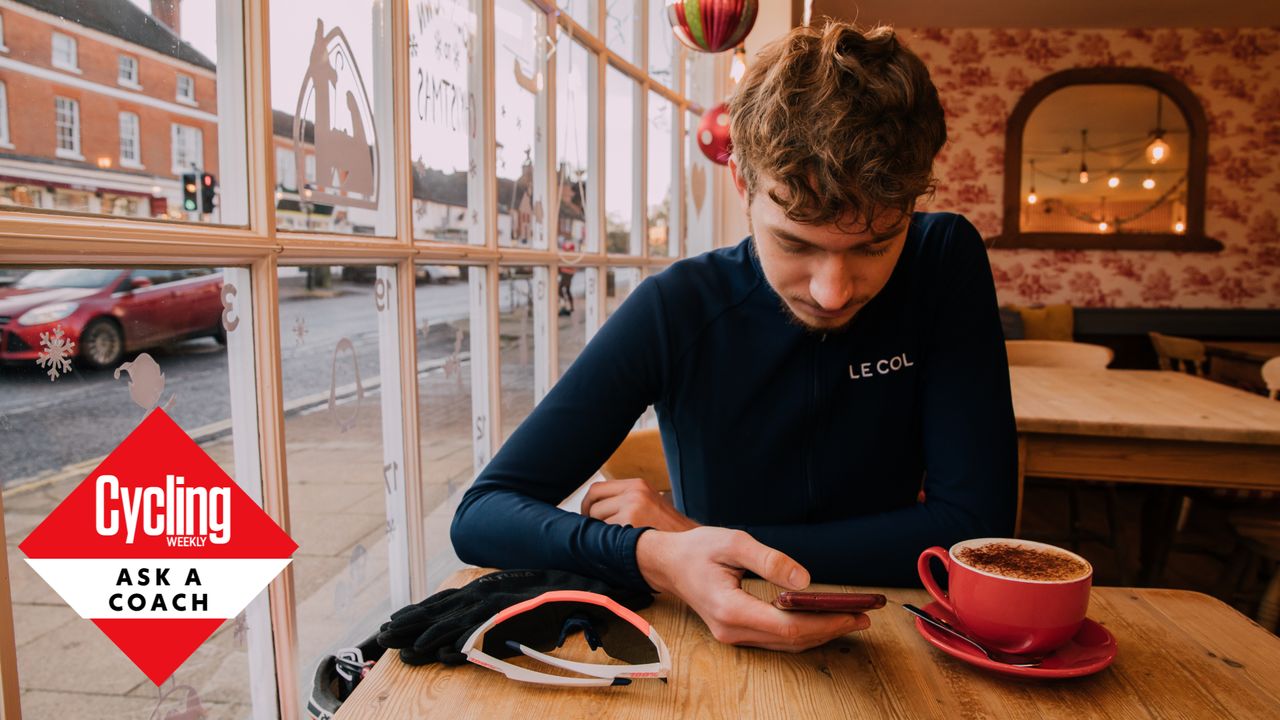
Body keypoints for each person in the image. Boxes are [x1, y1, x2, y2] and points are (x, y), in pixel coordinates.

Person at [451, 21, 1017, 653]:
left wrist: (700, 536)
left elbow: (974, 532)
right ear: (743, 185)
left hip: (894, 636)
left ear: (911, 207)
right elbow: (483, 514)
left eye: (874, 246)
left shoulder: (942, 261)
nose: (832, 292)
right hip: (707, 642)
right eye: (795, 244)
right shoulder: (679, 305)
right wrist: (655, 553)